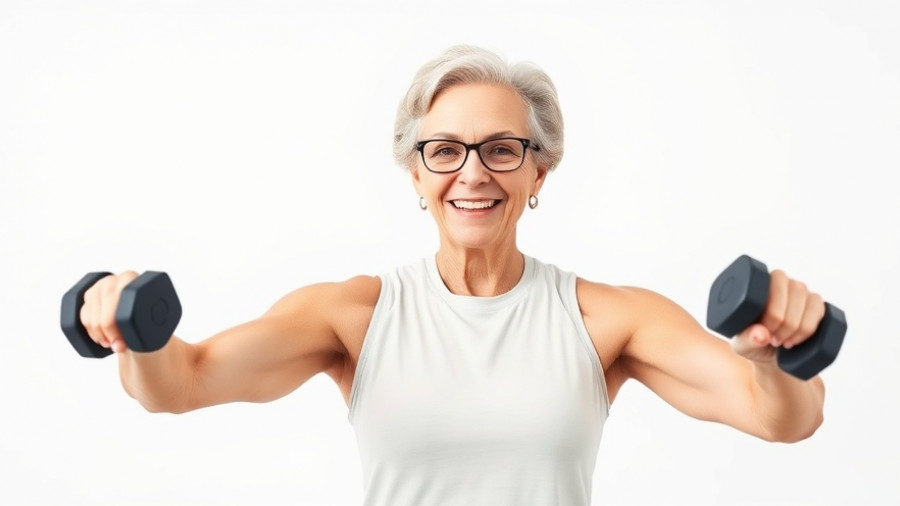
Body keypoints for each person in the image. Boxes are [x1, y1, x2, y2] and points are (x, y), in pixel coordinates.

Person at [79, 45, 827, 505]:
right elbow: (179, 383)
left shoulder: (608, 320)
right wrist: (131, 327)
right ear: (415, 173)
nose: (473, 173)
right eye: (445, 150)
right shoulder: (354, 316)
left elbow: (782, 418)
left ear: (540, 171)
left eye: (502, 148)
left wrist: (770, 359)